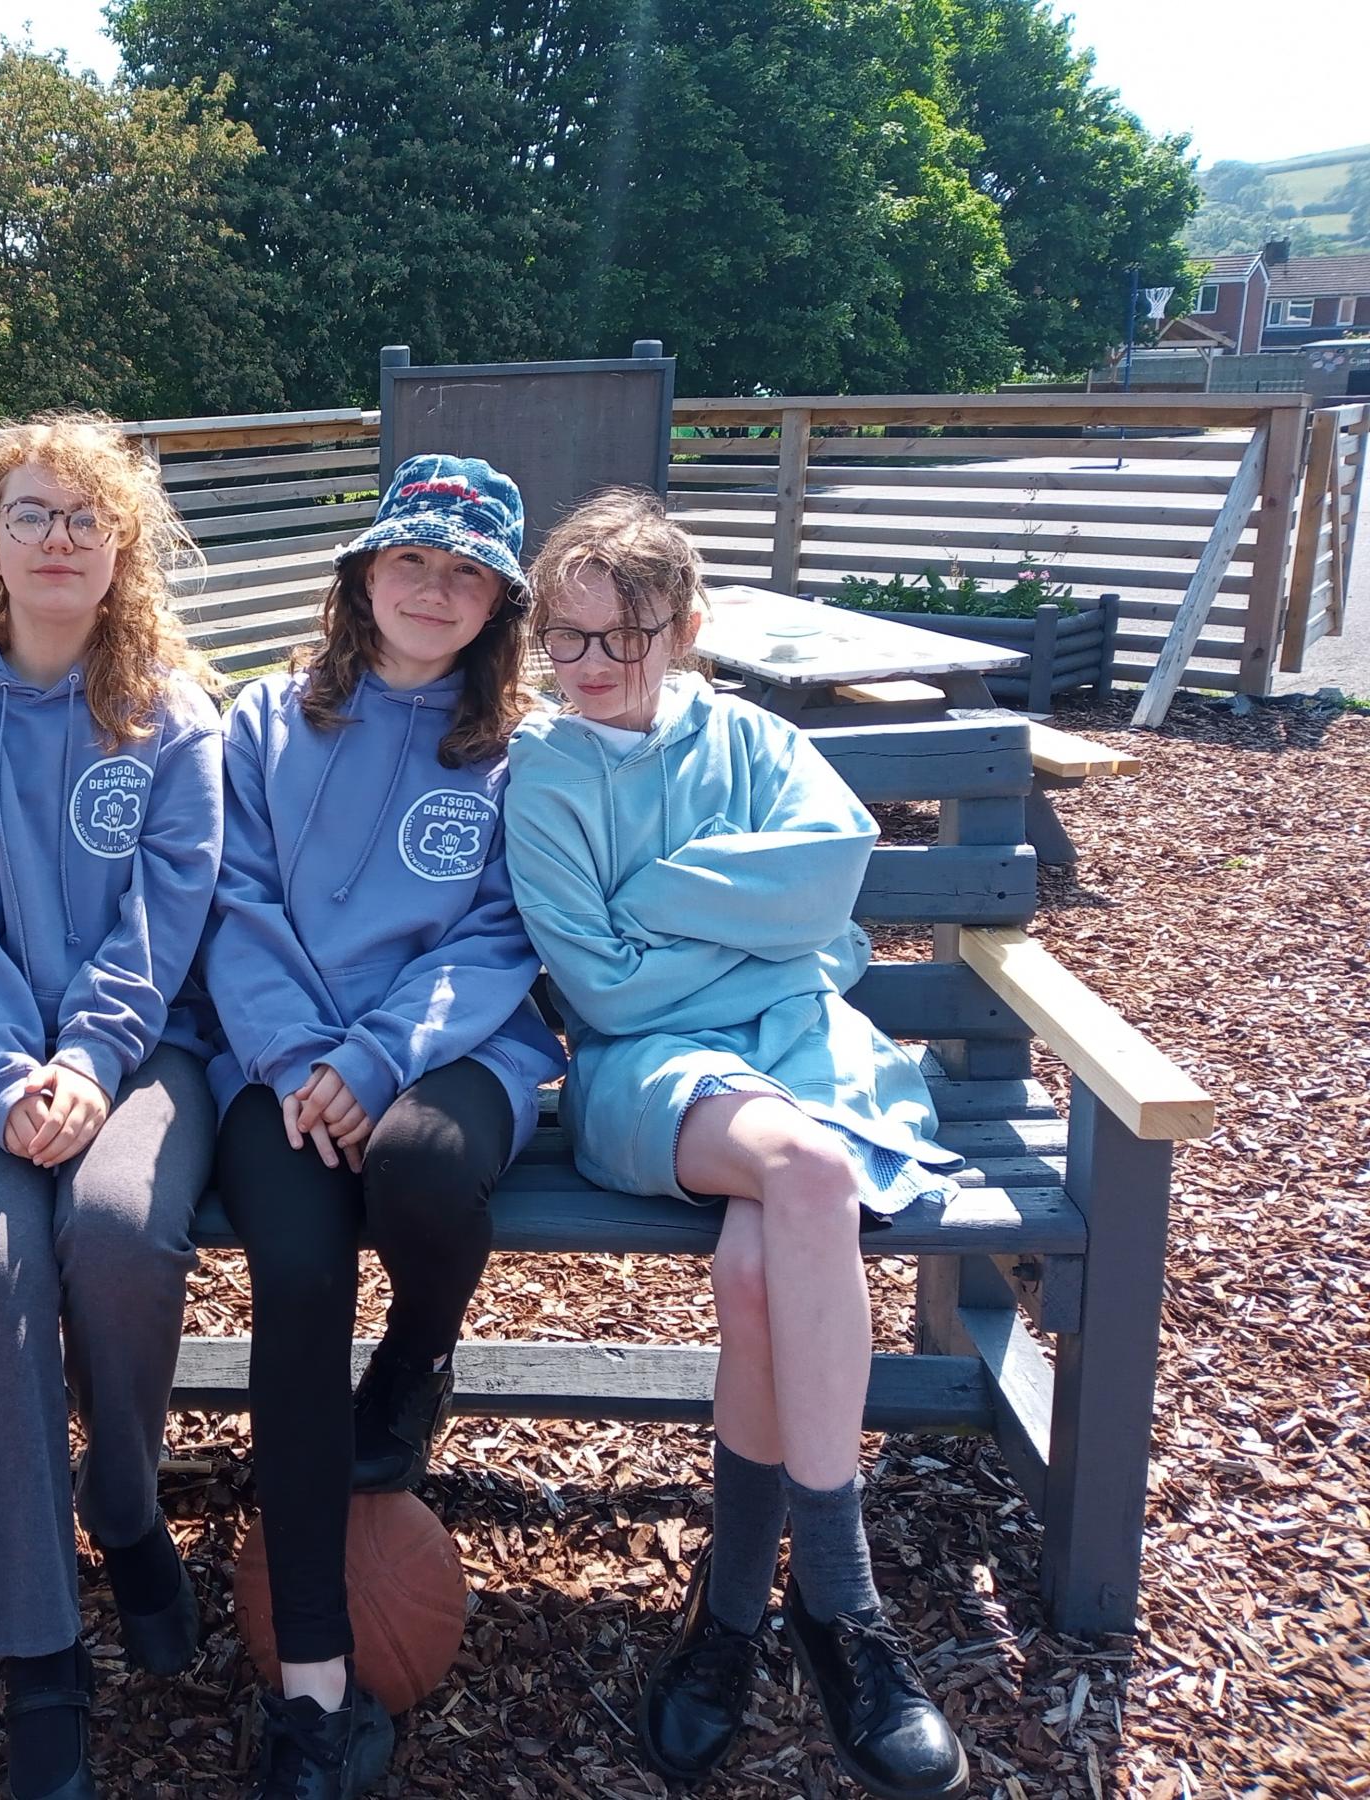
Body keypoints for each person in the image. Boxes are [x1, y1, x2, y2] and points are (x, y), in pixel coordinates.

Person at [503, 488, 971, 1800]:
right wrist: (743, 922)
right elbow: (601, 990)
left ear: (685, 627)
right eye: (566, 639)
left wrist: (656, 900)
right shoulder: (545, 771)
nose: (591, 667)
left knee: (760, 1267)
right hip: (646, 1076)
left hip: (798, 1048)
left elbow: (834, 871)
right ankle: (844, 1603)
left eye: (622, 637)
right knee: (807, 1170)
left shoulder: (752, 739)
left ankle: (728, 1617)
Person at [0, 413, 226, 1800]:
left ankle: (126, 1509)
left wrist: (89, 1055)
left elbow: (170, 910)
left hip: (141, 1060)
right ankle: (37, 1651)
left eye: (85, 516)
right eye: (31, 513)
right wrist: (8, 1075)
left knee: (124, 1228)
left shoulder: (170, 714)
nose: (60, 537)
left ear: (123, 541)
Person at [201, 454, 567, 1800]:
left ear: (498, 605)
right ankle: (310, 1690)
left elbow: (499, 935)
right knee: (297, 1272)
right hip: (274, 1061)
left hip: (453, 1048)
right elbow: (226, 897)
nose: (434, 586)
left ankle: (415, 1357)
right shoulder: (262, 721)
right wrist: (305, 1058)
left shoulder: (515, 754)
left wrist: (373, 1057)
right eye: (411, 559)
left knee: (416, 1165)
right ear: (360, 575)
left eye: (466, 571)